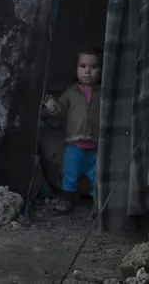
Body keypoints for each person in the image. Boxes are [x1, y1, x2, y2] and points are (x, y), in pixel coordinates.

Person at [43, 47, 102, 214]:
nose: (87, 71)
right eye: (83, 66)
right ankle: (66, 198)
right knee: (70, 173)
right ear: (76, 68)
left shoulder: (103, 94)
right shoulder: (71, 92)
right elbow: (61, 110)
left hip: (96, 145)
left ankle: (96, 203)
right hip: (74, 144)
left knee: (95, 175)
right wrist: (54, 108)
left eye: (93, 67)